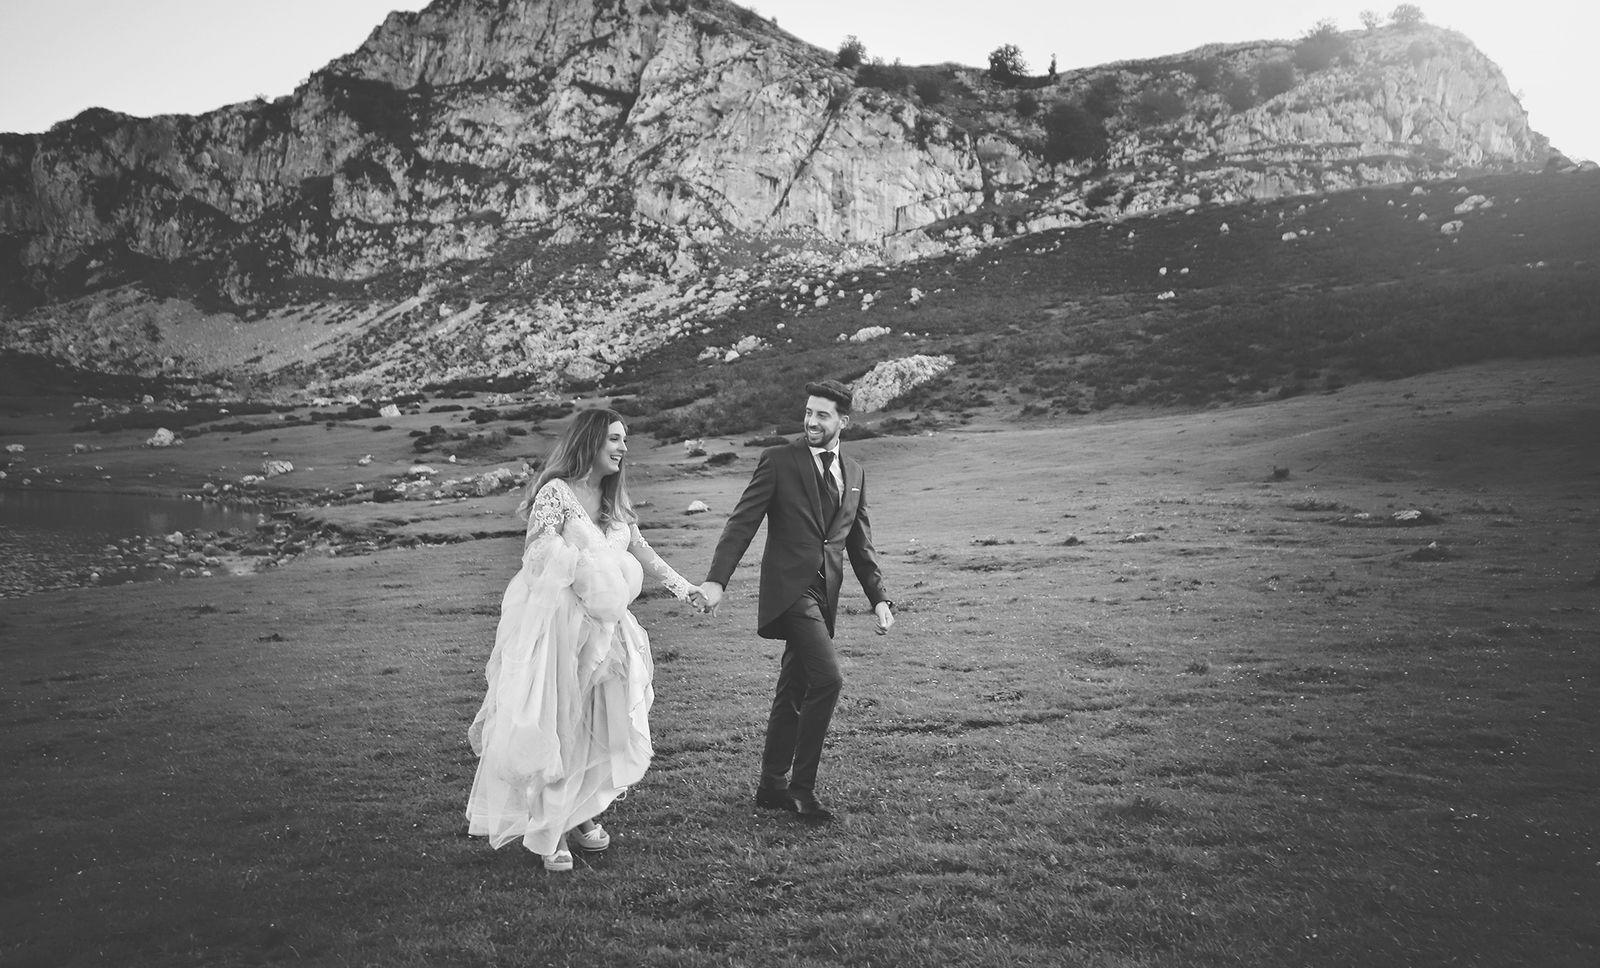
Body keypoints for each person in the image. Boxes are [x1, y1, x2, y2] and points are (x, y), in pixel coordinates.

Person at [466, 408, 706, 871]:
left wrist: (685, 587)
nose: (623, 448)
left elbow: (641, 551)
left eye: (625, 439)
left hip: (610, 630)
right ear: (591, 442)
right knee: (563, 723)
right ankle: (547, 829)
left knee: (601, 722)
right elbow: (535, 554)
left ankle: (580, 814)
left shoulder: (615, 499)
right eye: (615, 439)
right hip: (563, 630)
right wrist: (585, 565)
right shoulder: (556, 494)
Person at [698, 379, 894, 821]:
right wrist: (716, 582)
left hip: (825, 595)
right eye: (808, 412)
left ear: (843, 421)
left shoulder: (856, 472)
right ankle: (801, 789)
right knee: (829, 680)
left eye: (822, 415)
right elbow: (741, 524)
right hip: (790, 591)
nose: (811, 421)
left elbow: (859, 545)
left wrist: (879, 599)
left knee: (795, 689)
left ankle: (770, 786)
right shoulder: (779, 461)